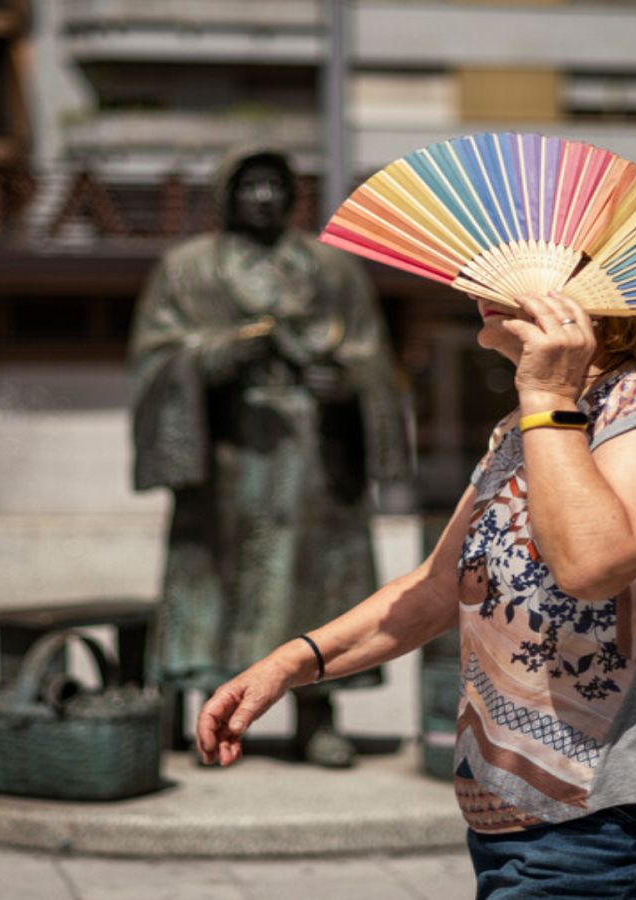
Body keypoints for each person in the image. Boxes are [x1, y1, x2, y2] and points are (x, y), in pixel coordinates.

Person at [197, 291, 636, 898]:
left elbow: (592, 564)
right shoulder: (522, 427)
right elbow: (438, 585)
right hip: (520, 816)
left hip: (621, 821)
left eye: (522, 274)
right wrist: (289, 664)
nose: (487, 292)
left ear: (601, 301)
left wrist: (546, 396)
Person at [128, 149, 410, 768]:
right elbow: (154, 357)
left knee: (316, 582)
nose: (262, 198)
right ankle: (219, 711)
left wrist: (346, 384)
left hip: (314, 452)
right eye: (249, 185)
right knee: (222, 578)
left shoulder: (332, 269)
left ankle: (317, 717)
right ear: (226, 194)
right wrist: (220, 355)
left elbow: (371, 356)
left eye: (274, 185)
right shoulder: (187, 269)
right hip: (228, 450)